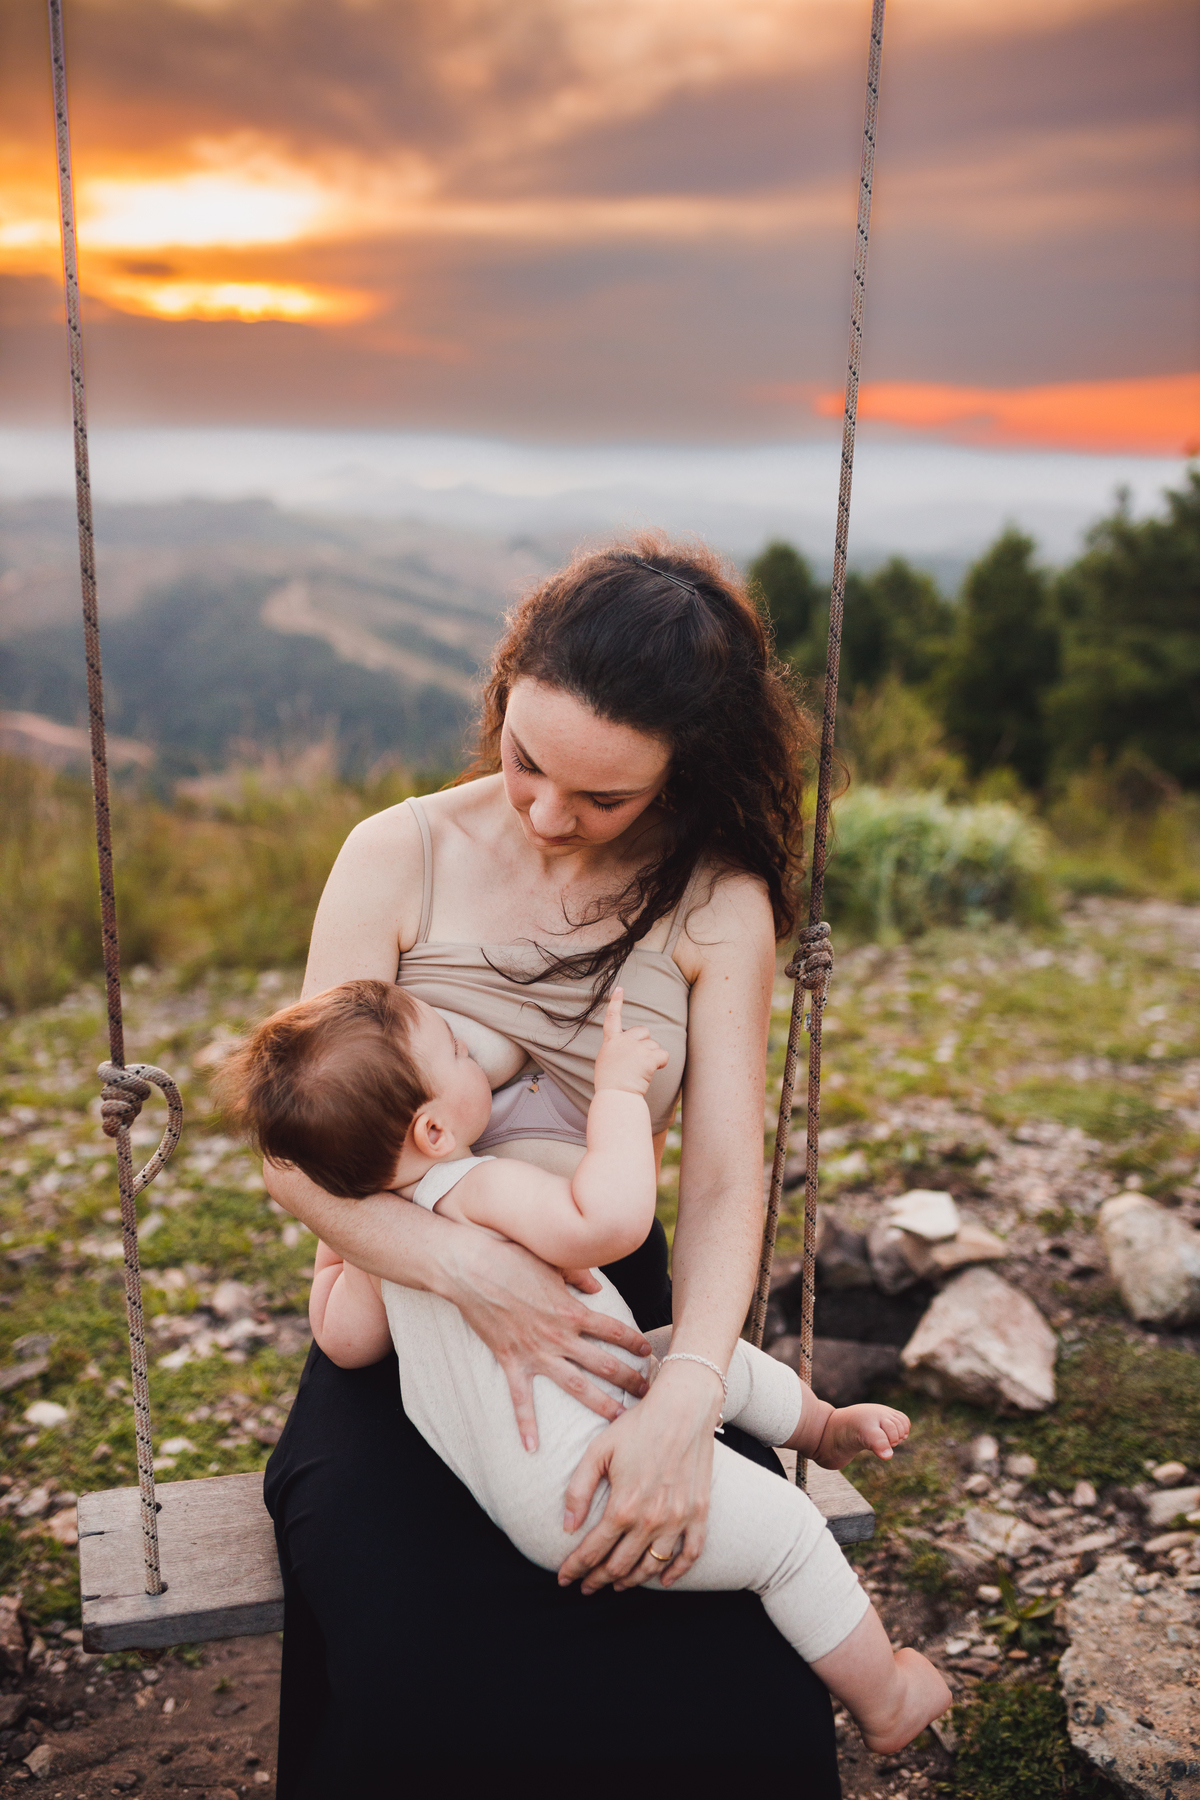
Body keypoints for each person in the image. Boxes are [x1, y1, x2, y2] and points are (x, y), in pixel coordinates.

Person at [261, 541, 856, 1791]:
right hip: (408, 1315)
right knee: (425, 1686)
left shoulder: (715, 902)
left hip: (614, 1319)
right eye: (526, 761)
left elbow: (723, 1181)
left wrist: (690, 1397)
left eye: (603, 798)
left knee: (742, 1693)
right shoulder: (398, 852)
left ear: (683, 772)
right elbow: (298, 1159)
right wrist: (470, 1270)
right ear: (504, 691)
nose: (543, 814)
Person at [226, 978, 951, 1753]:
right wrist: (617, 1095)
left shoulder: (388, 1249)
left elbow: (344, 1341)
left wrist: (341, 1252)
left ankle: (819, 1427)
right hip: (592, 1484)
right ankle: (888, 1699)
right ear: (434, 1129)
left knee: (689, 1353)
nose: (480, 1060)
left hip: (545, 1474)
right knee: (790, 1540)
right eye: (462, 1053)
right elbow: (608, 1221)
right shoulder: (478, 1184)